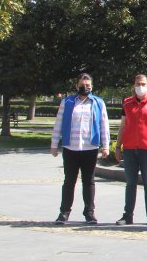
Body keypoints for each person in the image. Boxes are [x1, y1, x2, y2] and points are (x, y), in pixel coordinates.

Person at [51, 73, 110, 225]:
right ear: (77, 86)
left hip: (90, 147)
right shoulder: (68, 101)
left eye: (88, 86)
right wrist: (54, 144)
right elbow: (59, 122)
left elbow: (104, 125)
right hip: (71, 147)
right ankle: (64, 212)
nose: (85, 88)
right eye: (82, 85)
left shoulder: (98, 102)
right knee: (69, 181)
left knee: (89, 181)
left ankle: (89, 213)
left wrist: (106, 146)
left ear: (92, 87)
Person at [115, 74, 147, 227]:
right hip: (130, 148)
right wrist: (118, 146)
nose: (140, 86)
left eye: (143, 83)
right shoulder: (127, 103)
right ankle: (128, 215)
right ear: (134, 85)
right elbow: (122, 126)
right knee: (130, 183)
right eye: (138, 83)